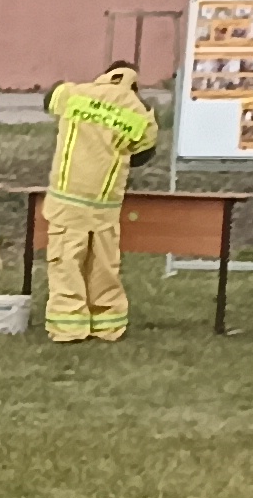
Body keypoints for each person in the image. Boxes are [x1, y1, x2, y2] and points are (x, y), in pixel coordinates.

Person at [36, 61, 160, 343]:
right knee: (103, 269)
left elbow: (49, 99)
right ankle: (108, 326)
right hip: (104, 206)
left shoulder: (76, 94)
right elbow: (143, 155)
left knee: (66, 266)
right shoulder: (139, 111)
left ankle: (69, 328)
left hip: (66, 202)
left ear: (105, 76)